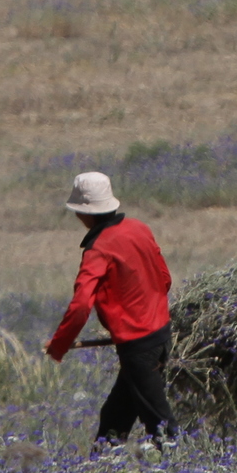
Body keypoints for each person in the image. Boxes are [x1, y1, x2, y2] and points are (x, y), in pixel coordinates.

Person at [44, 170, 177, 448]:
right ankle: (103, 470)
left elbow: (81, 306)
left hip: (138, 346)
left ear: (84, 213)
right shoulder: (140, 228)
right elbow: (165, 279)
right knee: (114, 420)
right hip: (162, 334)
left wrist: (59, 345)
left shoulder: (98, 250)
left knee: (162, 428)